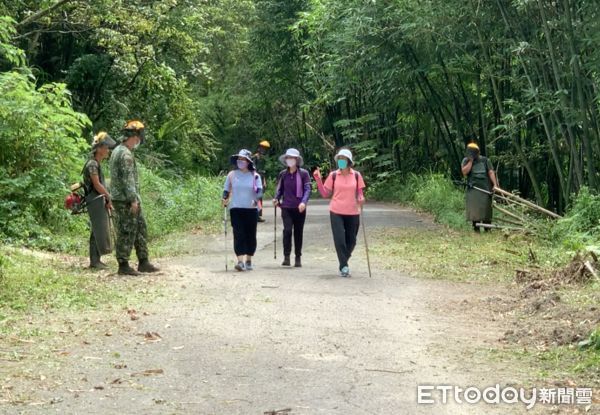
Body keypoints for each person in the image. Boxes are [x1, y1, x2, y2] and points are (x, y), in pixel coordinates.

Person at [109, 120, 160, 275]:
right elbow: (127, 180)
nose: (140, 139)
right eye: (139, 135)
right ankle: (123, 264)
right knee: (127, 230)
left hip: (124, 198)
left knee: (140, 228)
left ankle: (143, 261)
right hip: (125, 200)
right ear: (135, 136)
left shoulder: (118, 150)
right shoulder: (125, 154)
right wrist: (133, 200)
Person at [313, 149, 366, 277]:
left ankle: (343, 260)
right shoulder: (333, 175)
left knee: (352, 241)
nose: (341, 161)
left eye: (343, 158)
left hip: (353, 211)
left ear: (349, 161)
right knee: (339, 239)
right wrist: (318, 180)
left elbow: (360, 193)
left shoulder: (357, 175)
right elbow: (325, 193)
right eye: (339, 159)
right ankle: (344, 266)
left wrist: (361, 199)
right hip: (336, 211)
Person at [222, 149, 264, 272]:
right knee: (238, 234)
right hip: (236, 208)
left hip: (251, 209)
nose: (240, 162)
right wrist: (224, 197)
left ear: (248, 162)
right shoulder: (232, 175)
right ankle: (240, 261)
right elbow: (226, 189)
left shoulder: (255, 175)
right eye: (239, 159)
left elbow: (260, 192)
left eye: (243, 160)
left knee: (250, 234)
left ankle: (249, 259)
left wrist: (256, 201)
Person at [82, 131, 116, 269]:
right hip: (94, 198)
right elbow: (97, 184)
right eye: (106, 147)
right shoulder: (92, 164)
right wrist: (108, 196)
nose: (108, 150)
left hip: (98, 198)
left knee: (99, 229)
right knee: (98, 228)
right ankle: (94, 261)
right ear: (100, 148)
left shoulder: (96, 163)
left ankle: (96, 259)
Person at [273, 148, 311, 267]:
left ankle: (298, 257)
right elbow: (279, 189)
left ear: (297, 160)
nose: (290, 160)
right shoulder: (283, 174)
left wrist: (304, 202)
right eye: (288, 157)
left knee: (298, 232)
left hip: (300, 208)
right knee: (287, 231)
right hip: (286, 207)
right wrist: (276, 198)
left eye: (292, 158)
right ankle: (286, 256)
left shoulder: (304, 173)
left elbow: (307, 189)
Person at [461, 142, 498, 232]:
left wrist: (495, 185)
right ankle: (476, 228)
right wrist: (471, 161)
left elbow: (491, 172)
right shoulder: (465, 160)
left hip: (485, 189)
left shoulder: (485, 160)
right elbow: (464, 172)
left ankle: (487, 229)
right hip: (473, 189)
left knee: (486, 209)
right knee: (475, 210)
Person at [252, 140, 270, 222]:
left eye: (265, 149)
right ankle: (254, 215)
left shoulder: (262, 159)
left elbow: (264, 171)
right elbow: (253, 170)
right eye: (262, 148)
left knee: (260, 197)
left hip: (261, 178)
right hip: (255, 178)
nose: (263, 150)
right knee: (254, 197)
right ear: (259, 148)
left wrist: (264, 181)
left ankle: (258, 216)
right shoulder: (254, 158)